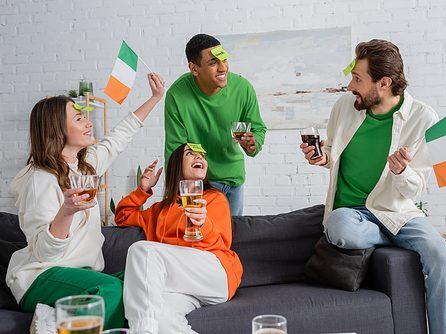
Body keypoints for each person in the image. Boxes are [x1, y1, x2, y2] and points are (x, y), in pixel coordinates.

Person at [300, 39, 446, 334]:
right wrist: (321, 157)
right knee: (337, 227)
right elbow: (333, 153)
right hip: (352, 214)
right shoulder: (344, 106)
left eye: (358, 79)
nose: (350, 86)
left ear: (384, 83)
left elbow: (416, 189)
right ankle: (390, 237)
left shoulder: (424, 118)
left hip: (399, 213)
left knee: (443, 260)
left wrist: (401, 171)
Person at [6, 73, 165, 331]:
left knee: (143, 280)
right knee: (112, 288)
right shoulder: (41, 179)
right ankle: (51, 321)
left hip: (79, 275)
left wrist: (155, 98)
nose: (88, 122)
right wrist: (66, 212)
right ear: (58, 129)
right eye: (79, 118)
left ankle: (54, 318)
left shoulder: (86, 166)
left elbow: (118, 137)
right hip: (42, 276)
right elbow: (45, 252)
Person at [114, 143, 242, 334]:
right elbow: (123, 216)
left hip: (214, 274)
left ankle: (141, 331)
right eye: (191, 154)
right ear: (176, 165)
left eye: (202, 156)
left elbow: (222, 243)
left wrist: (202, 222)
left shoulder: (214, 198)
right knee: (163, 319)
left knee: (142, 249)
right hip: (180, 284)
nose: (200, 158)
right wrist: (143, 189)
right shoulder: (159, 210)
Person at [164, 33, 267, 216]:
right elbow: (175, 148)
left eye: (224, 59)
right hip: (199, 183)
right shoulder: (177, 95)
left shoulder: (243, 88)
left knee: (231, 239)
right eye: (213, 63)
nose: (223, 67)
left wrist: (253, 143)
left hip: (233, 180)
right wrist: (176, 194)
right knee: (199, 240)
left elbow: (257, 129)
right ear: (194, 68)